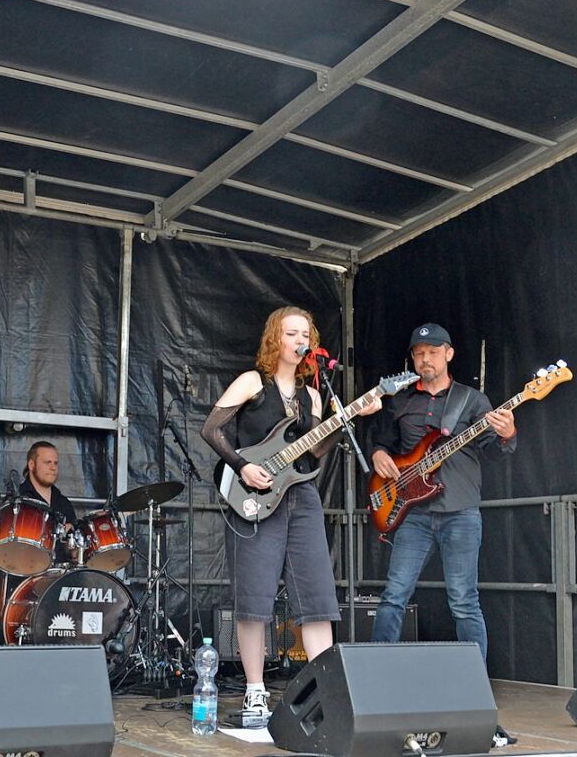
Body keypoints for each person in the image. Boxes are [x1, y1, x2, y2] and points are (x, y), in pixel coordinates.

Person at [200, 306, 381, 720]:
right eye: (291, 333)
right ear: (275, 340)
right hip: (254, 499)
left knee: (317, 595)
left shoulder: (313, 395)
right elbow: (211, 429)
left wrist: (349, 416)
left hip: (301, 498)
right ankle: (255, 690)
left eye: (306, 334)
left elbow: (314, 449)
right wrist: (243, 465)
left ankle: (326, 689)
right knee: (254, 597)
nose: (300, 340)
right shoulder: (252, 382)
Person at [369, 323, 516, 663]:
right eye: (419, 354)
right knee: (393, 596)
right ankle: (375, 675)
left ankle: (475, 684)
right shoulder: (401, 400)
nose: (425, 359)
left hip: (460, 511)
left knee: (464, 599)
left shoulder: (473, 400)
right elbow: (383, 442)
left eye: (433, 353)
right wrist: (378, 454)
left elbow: (493, 452)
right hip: (412, 512)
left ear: (448, 354)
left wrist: (507, 434)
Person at [18, 441, 78, 557]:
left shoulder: (64, 503)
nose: (53, 468)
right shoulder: (17, 501)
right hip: (25, 570)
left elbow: (72, 553)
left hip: (61, 574)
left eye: (56, 463)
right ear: (31, 465)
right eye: (47, 462)